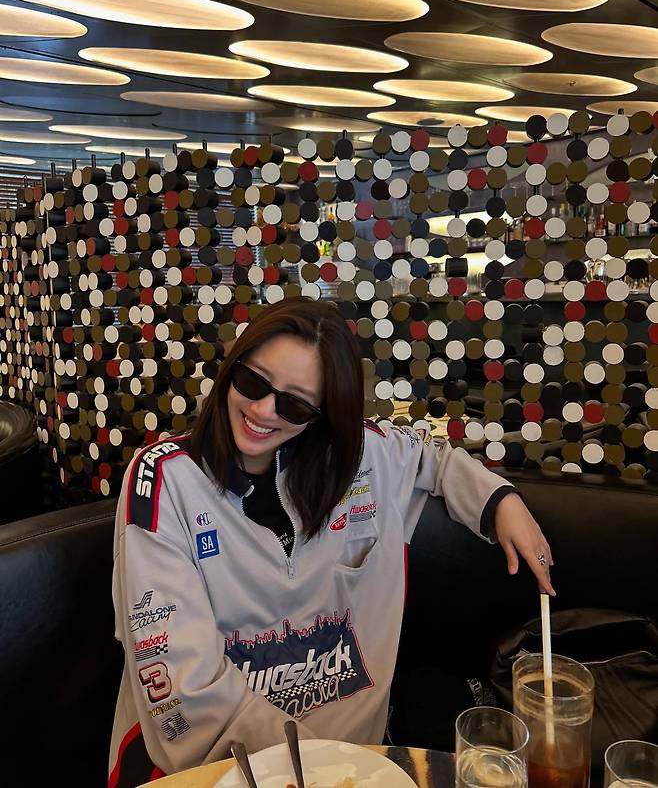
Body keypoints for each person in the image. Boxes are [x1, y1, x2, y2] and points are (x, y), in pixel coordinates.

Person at [108, 296, 554, 787]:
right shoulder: (164, 481)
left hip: (359, 768)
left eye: (295, 404)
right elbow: (183, 686)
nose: (262, 410)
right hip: (219, 770)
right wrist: (316, 770)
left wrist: (500, 501)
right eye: (252, 381)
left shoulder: (361, 457)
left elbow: (431, 455)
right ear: (232, 366)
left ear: (322, 414)